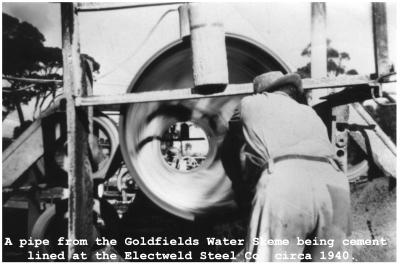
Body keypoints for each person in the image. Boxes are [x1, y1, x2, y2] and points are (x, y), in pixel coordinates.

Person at [221, 71, 352, 262]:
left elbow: (231, 143)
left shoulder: (250, 103)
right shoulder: (309, 112)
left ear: (261, 92)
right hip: (335, 182)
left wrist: (240, 183)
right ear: (291, 91)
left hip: (287, 182)